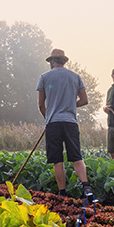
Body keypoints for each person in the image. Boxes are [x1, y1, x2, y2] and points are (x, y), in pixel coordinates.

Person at [36, 48, 93, 200]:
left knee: (57, 159)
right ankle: (86, 186)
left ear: (52, 62)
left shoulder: (44, 77)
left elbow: (41, 105)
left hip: (53, 123)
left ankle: (62, 192)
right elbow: (85, 100)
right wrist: (70, 105)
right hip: (70, 122)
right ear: (64, 61)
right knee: (76, 156)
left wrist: (48, 117)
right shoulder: (75, 77)